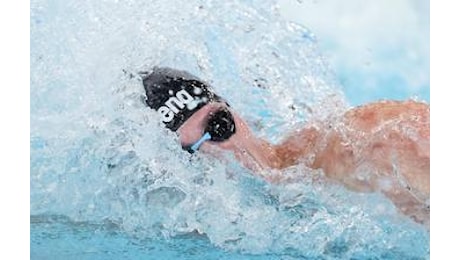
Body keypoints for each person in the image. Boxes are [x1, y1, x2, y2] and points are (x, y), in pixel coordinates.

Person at [142, 67, 430, 225]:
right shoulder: (199, 222)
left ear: (235, 112)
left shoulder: (339, 147)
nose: (224, 150)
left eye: (219, 126)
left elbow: (405, 130)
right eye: (193, 152)